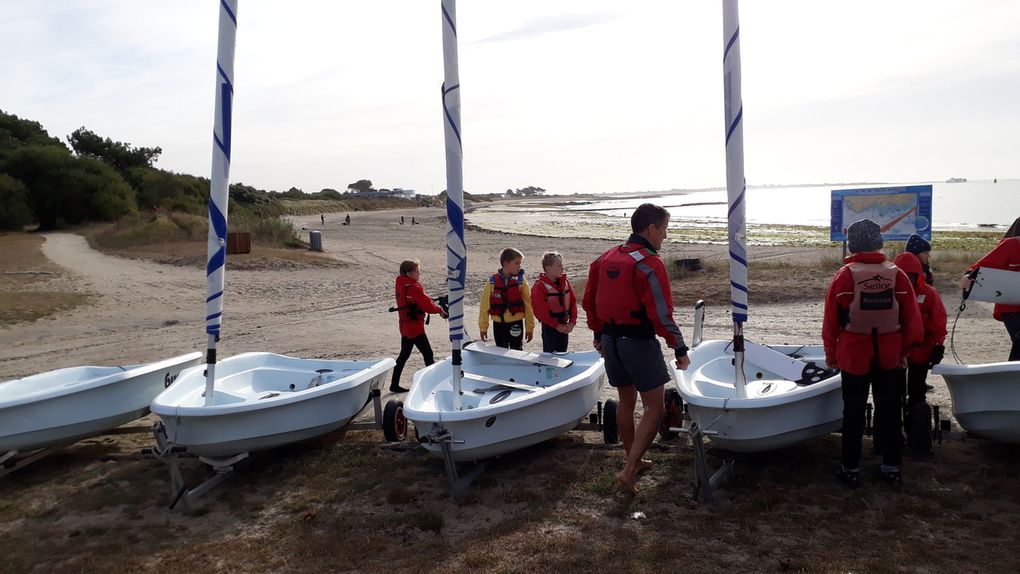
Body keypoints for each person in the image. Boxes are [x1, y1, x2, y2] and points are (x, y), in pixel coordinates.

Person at [582, 203, 690, 494]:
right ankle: (629, 470)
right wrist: (679, 348)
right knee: (654, 406)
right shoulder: (649, 262)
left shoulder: (606, 257)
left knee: (626, 401)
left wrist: (598, 333)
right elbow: (662, 314)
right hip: (638, 343)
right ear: (651, 229)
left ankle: (634, 461)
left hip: (611, 342)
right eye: (664, 229)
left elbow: (589, 301)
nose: (665, 236)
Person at [823, 219, 922, 488]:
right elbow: (913, 320)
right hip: (890, 353)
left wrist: (831, 354)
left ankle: (850, 468)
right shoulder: (898, 274)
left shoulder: (845, 275)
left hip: (854, 354)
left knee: (852, 412)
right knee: (889, 411)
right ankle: (891, 468)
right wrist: (904, 352)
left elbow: (831, 321)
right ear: (880, 244)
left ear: (852, 246)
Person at [893, 250, 947, 443]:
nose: (907, 279)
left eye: (911, 275)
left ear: (918, 274)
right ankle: (894, 434)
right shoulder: (887, 291)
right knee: (894, 395)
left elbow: (938, 321)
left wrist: (938, 345)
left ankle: (916, 432)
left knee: (916, 393)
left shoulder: (928, 294)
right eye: (904, 275)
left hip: (920, 351)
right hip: (895, 352)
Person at [960, 216, 1020, 361]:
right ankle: (1010, 377)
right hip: (1009, 305)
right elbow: (982, 265)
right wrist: (969, 275)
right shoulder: (1011, 245)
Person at [390, 260, 447, 393]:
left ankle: (394, 384)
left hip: (404, 326)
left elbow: (421, 301)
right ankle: (434, 384)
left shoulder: (401, 284)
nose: (419, 273)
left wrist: (433, 304)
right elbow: (426, 305)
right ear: (409, 273)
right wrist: (440, 310)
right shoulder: (413, 288)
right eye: (416, 271)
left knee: (404, 355)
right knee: (428, 354)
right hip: (414, 328)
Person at [478, 248, 534, 349]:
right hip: (498, 324)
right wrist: (483, 327)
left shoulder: (521, 281)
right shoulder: (492, 281)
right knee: (500, 350)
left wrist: (529, 328)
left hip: (516, 323)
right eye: (516, 263)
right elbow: (484, 306)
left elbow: (528, 305)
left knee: (516, 350)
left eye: (520, 263)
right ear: (506, 263)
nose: (519, 266)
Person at [531, 251, 577, 353]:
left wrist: (572, 323)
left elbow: (573, 303)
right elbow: (540, 312)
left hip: (564, 326)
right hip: (550, 328)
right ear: (548, 268)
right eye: (559, 265)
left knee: (563, 354)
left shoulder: (565, 283)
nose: (562, 268)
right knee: (550, 357)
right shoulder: (539, 287)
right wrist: (556, 326)